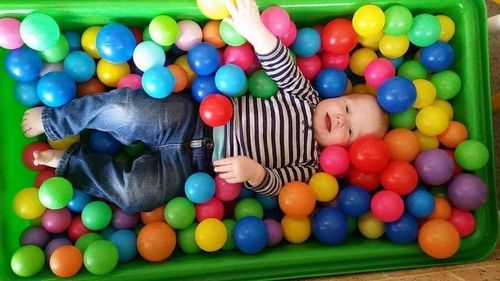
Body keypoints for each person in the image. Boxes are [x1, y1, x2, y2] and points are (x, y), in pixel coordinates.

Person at [20, 0, 388, 213]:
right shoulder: (305, 97)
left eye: (351, 130)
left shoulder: (312, 168)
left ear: (349, 152)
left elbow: (283, 186)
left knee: (137, 197)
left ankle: (70, 163)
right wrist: (256, 29)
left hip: (194, 171)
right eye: (348, 108)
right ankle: (58, 120)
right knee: (128, 111)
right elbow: (281, 64)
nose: (341, 118)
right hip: (191, 119)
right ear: (337, 95)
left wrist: (255, 172)